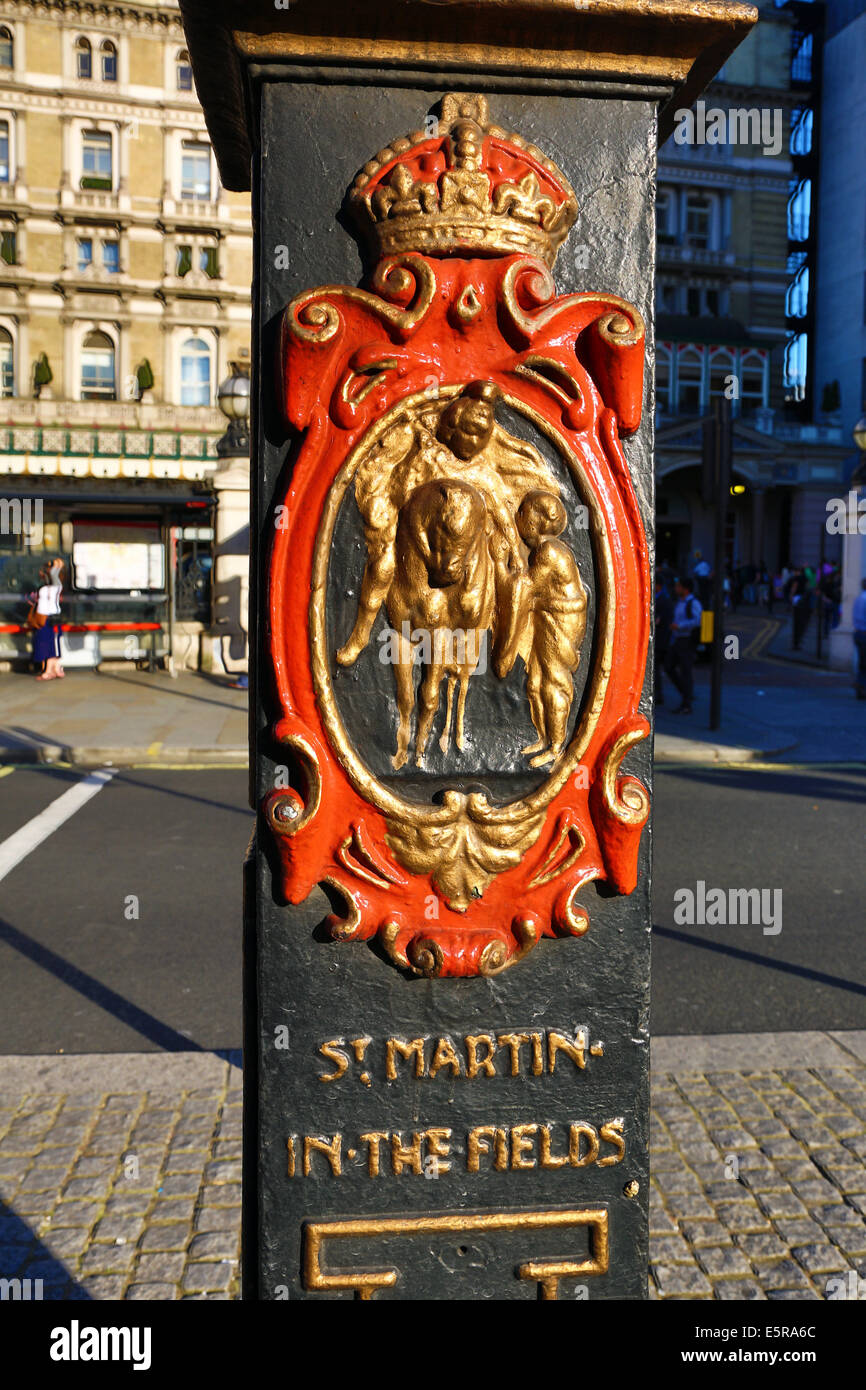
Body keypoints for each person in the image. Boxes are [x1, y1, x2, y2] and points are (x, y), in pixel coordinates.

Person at [664, 575, 702, 714]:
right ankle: (686, 694)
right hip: (677, 640)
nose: (676, 588)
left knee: (686, 672)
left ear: (685, 589)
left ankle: (687, 703)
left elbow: (697, 621)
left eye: (678, 586)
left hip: (687, 641)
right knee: (669, 667)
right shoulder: (680, 602)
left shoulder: (693, 603)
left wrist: (679, 626)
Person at [31, 558, 64, 680]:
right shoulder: (44, 587)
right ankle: (55, 668)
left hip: (50, 617)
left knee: (50, 644)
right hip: (43, 617)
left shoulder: (56, 586)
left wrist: (56, 565)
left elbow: (54, 573)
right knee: (46, 643)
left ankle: (49, 670)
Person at [654, 574, 673, 706]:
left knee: (657, 668)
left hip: (661, 640)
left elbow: (661, 621)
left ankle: (658, 695)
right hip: (661, 639)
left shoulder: (663, 600)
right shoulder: (661, 598)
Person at [853, 578, 866, 700]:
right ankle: (861, 686)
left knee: (862, 662)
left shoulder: (858, 599)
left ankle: (860, 685)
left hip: (858, 633)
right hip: (864, 634)